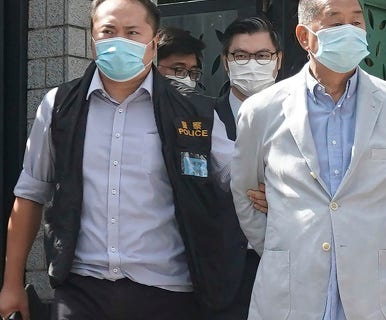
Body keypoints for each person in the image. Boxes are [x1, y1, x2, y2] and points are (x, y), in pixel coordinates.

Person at [0, 0, 235, 319]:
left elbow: (238, 181)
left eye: (132, 32)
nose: (119, 41)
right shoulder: (59, 106)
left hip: (170, 293)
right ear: (93, 39)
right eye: (109, 31)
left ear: (153, 43)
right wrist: (12, 283)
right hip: (80, 291)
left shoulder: (195, 112)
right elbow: (30, 194)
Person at [230, 0, 386, 318]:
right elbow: (245, 194)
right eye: (335, 22)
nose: (349, 31)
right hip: (290, 295)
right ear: (304, 36)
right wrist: (284, 244)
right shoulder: (261, 110)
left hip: (374, 295)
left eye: (356, 23)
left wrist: (384, 250)